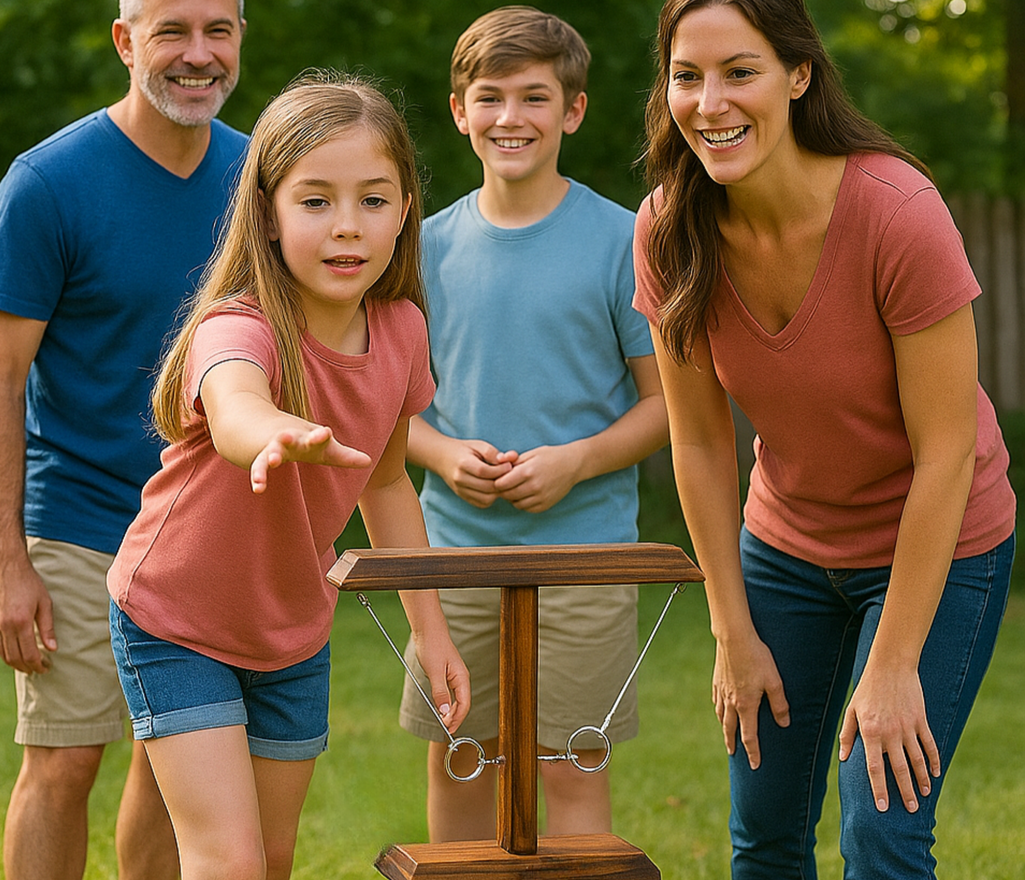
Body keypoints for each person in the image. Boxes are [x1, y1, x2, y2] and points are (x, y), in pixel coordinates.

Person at [633, 0, 1016, 877]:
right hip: (787, 547)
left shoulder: (896, 212)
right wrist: (731, 631)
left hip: (940, 541)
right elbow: (698, 445)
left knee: (880, 829)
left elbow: (948, 453)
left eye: (740, 72)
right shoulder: (667, 229)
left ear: (798, 75)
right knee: (765, 831)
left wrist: (895, 662)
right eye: (687, 76)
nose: (710, 103)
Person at [105, 71, 471, 880]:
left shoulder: (403, 331)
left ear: (405, 210)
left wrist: (430, 630)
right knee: (228, 858)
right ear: (268, 214)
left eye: (373, 199)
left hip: (293, 630)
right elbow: (236, 406)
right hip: (175, 617)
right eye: (315, 201)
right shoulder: (239, 325)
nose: (347, 226)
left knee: (271, 858)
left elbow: (386, 484)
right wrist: (274, 431)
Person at [0, 1, 249, 878]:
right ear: (126, 41)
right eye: (172, 32)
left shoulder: (263, 176)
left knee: (173, 771)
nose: (198, 54)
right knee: (64, 760)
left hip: (206, 529)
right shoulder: (48, 183)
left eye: (219, 31)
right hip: (81, 518)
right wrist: (4, 560)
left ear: (241, 38)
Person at [397, 5, 669, 842]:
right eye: (490, 97)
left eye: (534, 97)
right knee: (461, 758)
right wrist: (441, 453)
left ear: (573, 110)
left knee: (571, 763)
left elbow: (667, 408)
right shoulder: (420, 250)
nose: (510, 117)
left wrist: (576, 461)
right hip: (453, 557)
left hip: (587, 558)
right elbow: (385, 412)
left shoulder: (622, 241)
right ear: (459, 111)